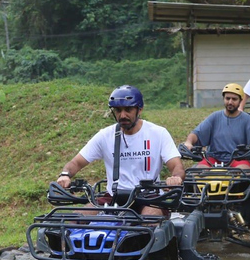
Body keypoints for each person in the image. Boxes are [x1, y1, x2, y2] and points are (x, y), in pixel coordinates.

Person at [56, 85, 184, 217]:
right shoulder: (105, 135)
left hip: (149, 197)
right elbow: (76, 162)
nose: (122, 115)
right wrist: (65, 175)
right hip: (113, 198)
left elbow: (176, 165)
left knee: (149, 219)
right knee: (77, 218)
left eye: (128, 109)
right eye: (118, 110)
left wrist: (176, 178)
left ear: (139, 109)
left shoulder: (158, 133)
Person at [180, 83, 250, 169]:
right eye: (227, 98)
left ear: (240, 101)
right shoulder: (215, 117)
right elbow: (196, 134)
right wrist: (189, 142)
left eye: (234, 99)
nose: (230, 102)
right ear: (223, 99)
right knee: (199, 172)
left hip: (238, 158)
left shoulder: (246, 119)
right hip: (213, 158)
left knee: (244, 171)